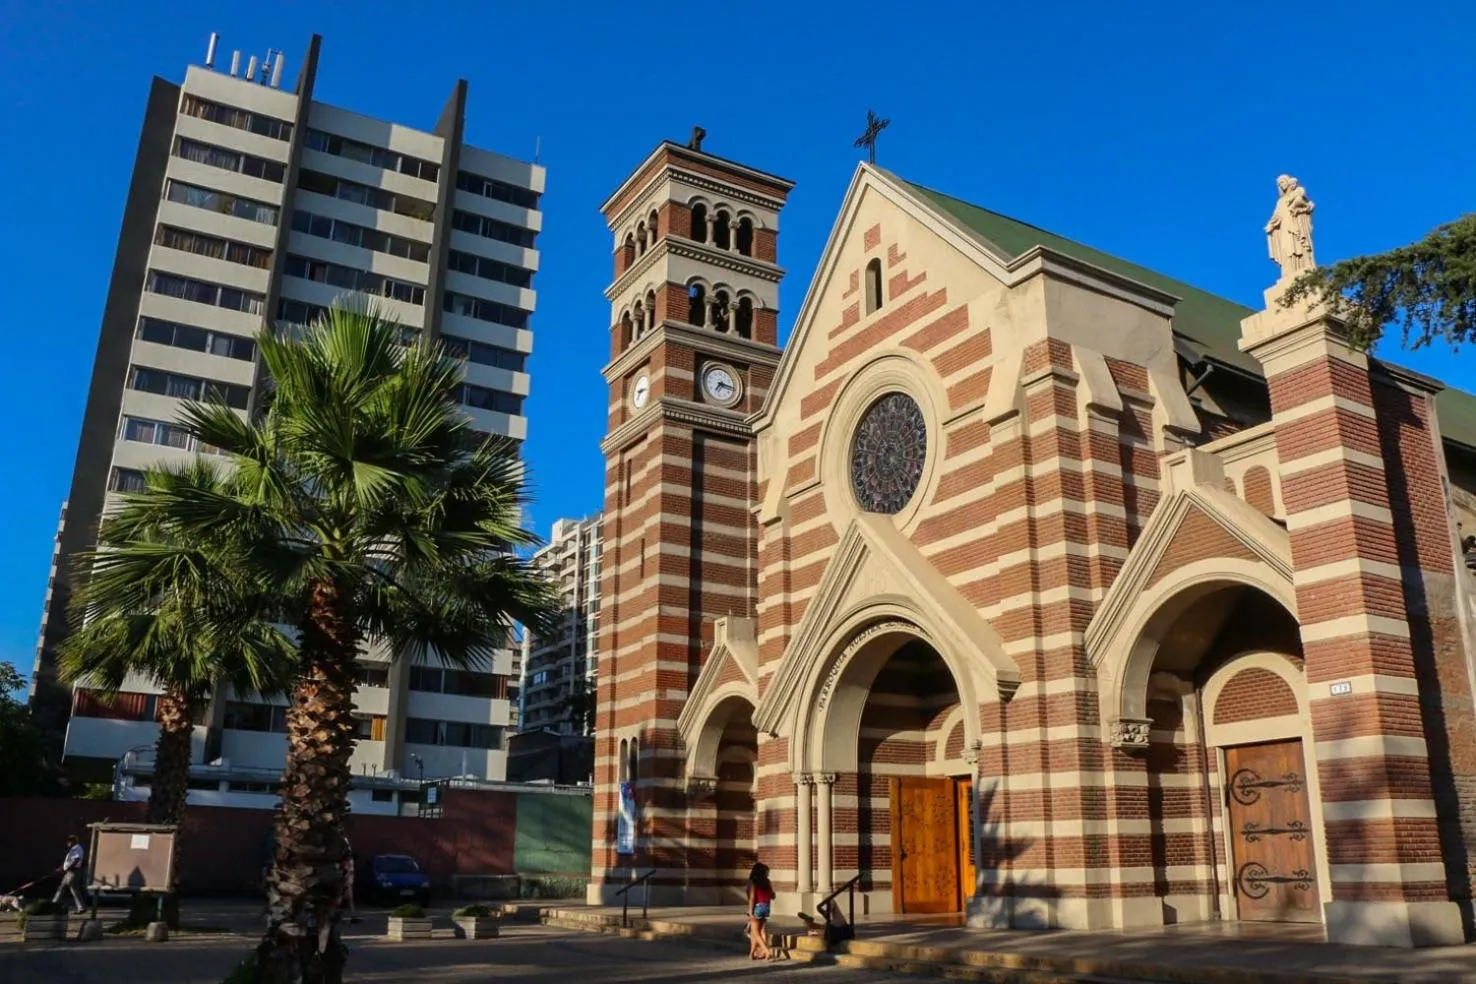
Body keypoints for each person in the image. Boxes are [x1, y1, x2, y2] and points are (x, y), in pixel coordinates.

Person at [746, 862, 774, 961]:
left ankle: (766, 951)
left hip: (757, 907)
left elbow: (752, 898)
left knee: (755, 932)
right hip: (766, 907)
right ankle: (752, 953)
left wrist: (750, 911)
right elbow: (772, 896)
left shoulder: (754, 882)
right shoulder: (767, 882)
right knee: (756, 932)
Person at [52, 835, 87, 914]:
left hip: (73, 872)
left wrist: (68, 868)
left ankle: (54, 904)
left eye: (68, 842)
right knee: (63, 887)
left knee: (73, 889)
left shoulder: (77, 848)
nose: (67, 843)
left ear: (73, 841)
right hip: (70, 872)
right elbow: (68, 862)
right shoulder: (73, 849)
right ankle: (54, 903)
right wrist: (61, 868)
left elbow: (76, 859)